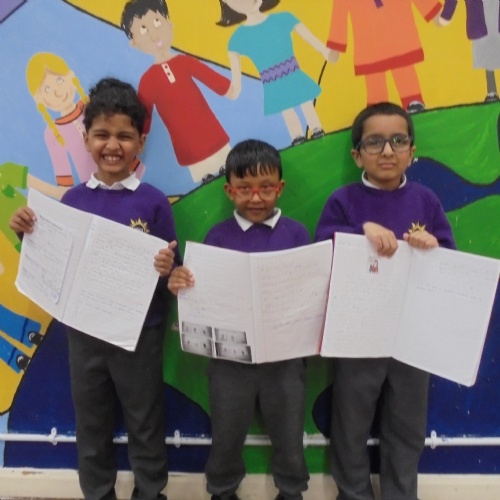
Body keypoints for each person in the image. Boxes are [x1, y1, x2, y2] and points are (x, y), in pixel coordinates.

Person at [9, 77, 180, 500]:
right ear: (85, 139)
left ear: (140, 142)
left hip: (139, 336)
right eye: (102, 134)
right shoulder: (73, 201)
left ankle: (151, 491)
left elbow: (172, 270)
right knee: (91, 422)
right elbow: (57, 262)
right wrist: (27, 231)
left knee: (145, 420)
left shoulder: (154, 202)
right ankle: (99, 492)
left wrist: (168, 268)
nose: (113, 145)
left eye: (125, 136)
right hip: (84, 335)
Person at [315, 102, 456, 500]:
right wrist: (362, 230)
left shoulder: (426, 200)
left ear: (412, 151)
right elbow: (322, 251)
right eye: (374, 142)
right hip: (358, 334)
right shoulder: (343, 201)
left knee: (407, 425)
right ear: (357, 154)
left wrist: (433, 246)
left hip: (412, 335)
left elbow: (449, 258)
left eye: (398, 141)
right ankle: (353, 493)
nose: (388, 151)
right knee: (351, 421)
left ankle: (401, 493)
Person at [168, 139, 310, 500]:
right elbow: (202, 292)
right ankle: (222, 489)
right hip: (229, 361)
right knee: (226, 434)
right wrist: (183, 283)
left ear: (280, 187)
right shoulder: (217, 236)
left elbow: (308, 291)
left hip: (285, 359)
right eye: (245, 189)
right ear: (229, 191)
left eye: (266, 188)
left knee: (289, 435)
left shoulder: (296, 234)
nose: (256, 198)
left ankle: (292, 490)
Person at [121, 0, 233, 184]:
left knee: (230, 166)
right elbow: (145, 113)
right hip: (185, 141)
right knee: (204, 178)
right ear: (134, 42)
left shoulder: (184, 62)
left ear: (169, 22)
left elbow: (210, 78)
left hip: (209, 129)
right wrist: (141, 133)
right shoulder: (147, 80)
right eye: (143, 29)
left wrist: (229, 88)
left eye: (157, 22)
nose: (153, 33)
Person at [216, 0, 336, 146]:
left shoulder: (284, 18)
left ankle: (316, 128)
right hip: (272, 82)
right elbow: (236, 75)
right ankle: (297, 135)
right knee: (285, 108)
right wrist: (235, 89)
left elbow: (310, 38)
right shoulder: (237, 38)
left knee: (304, 100)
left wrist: (326, 52)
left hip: (293, 72)